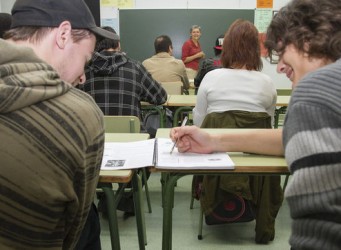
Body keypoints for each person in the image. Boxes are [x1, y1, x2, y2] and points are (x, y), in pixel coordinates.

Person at [171, 0, 341, 249]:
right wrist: (214, 140)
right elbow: (285, 134)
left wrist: (213, 134)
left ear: (307, 42)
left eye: (282, 52)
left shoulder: (316, 92)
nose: (280, 66)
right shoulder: (271, 85)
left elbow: (321, 230)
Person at [0, 0, 119, 249]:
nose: (83, 76)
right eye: (85, 60)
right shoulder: (81, 115)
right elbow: (72, 230)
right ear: (63, 34)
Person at [80, 26, 167, 218]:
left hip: (94, 142)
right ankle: (126, 197)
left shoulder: (82, 70)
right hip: (132, 143)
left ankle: (105, 197)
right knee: (153, 146)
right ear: (118, 45)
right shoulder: (134, 67)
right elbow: (160, 97)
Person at [193, 19, 277, 127]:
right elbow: (269, 125)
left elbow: (199, 122)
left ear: (226, 47)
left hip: (215, 143)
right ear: (256, 49)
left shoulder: (211, 77)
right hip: (253, 144)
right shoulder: (267, 83)